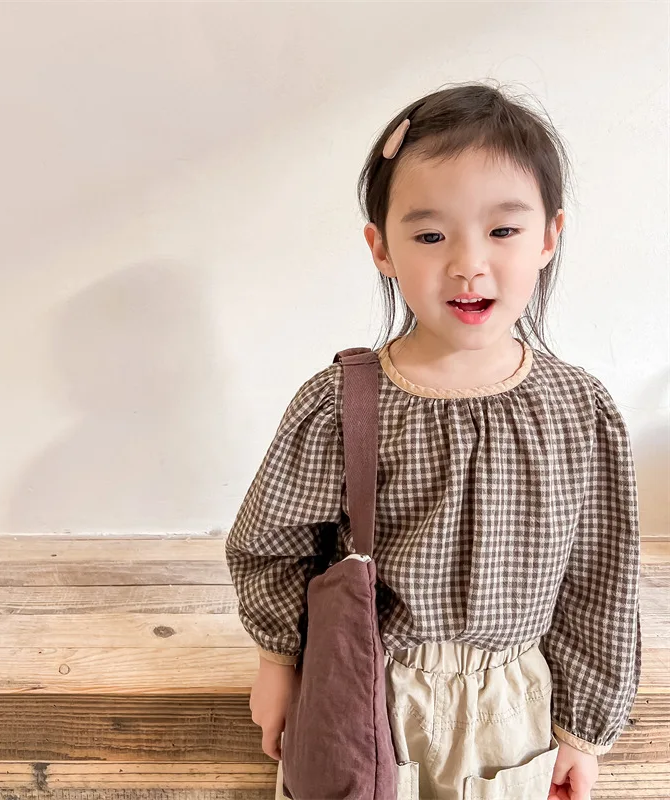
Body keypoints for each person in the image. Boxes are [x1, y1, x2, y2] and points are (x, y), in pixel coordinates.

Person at [225, 81, 641, 800]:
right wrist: (277, 665)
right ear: (381, 248)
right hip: (365, 697)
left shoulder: (580, 411)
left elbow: (599, 582)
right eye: (429, 236)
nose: (468, 263)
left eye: (502, 231)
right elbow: (275, 545)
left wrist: (581, 732)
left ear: (549, 237)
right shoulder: (341, 404)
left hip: (516, 711)